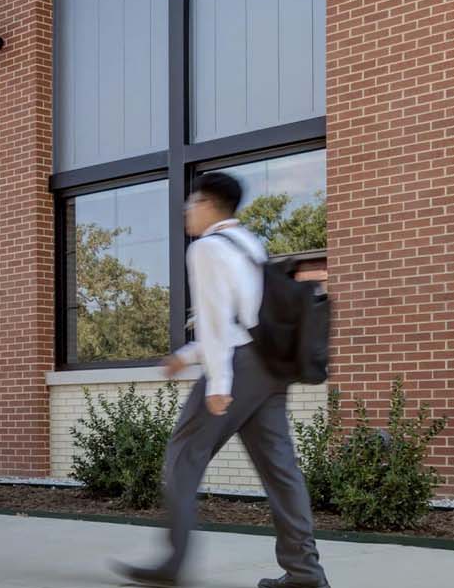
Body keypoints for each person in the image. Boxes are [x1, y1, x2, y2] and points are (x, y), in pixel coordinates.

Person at [112, 172, 328, 588]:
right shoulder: (249, 243)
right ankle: (305, 574)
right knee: (281, 471)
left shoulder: (207, 248)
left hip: (236, 365)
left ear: (209, 204)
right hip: (268, 367)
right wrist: (186, 356)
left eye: (191, 203)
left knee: (182, 457)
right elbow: (243, 314)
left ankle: (172, 564)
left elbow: (215, 321)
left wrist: (217, 386)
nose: (186, 212)